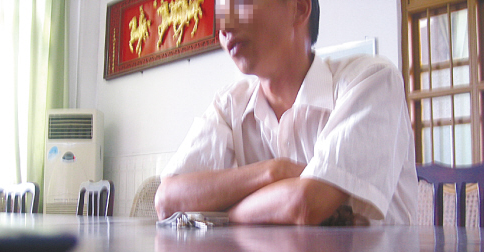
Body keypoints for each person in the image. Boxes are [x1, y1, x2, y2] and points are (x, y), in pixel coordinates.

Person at [155, 0, 417, 226]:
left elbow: (305, 205)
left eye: (242, 3)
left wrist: (222, 215)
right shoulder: (230, 104)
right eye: (220, 13)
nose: (224, 27)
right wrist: (275, 170)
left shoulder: (372, 80)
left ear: (299, 8)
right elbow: (167, 200)